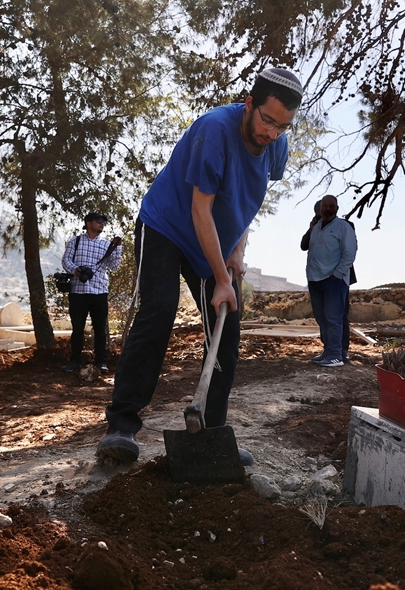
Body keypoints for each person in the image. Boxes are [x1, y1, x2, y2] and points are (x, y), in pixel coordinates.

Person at [96, 67, 303, 466]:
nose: (273, 133)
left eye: (283, 126)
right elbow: (200, 209)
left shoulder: (277, 145)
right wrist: (222, 279)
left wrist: (237, 252)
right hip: (166, 226)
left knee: (226, 330)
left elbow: (248, 200)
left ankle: (209, 436)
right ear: (249, 104)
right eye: (267, 120)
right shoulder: (214, 131)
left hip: (213, 240)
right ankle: (121, 426)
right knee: (159, 310)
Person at [61, 211, 123, 377]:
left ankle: (101, 362)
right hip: (78, 291)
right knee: (78, 328)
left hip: (99, 291)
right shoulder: (75, 241)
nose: (102, 223)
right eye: (98, 220)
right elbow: (66, 260)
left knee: (100, 329)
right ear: (88, 223)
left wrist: (117, 249)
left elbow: (114, 266)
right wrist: (77, 271)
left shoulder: (106, 244)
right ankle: (75, 361)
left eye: (103, 221)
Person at [303, 195, 357, 367]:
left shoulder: (343, 226)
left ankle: (336, 355)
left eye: (331, 206)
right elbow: (305, 246)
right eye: (324, 206)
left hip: (333, 280)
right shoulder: (316, 227)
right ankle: (328, 351)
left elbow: (350, 252)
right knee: (323, 319)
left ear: (337, 208)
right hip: (315, 280)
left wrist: (337, 274)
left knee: (334, 318)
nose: (328, 209)